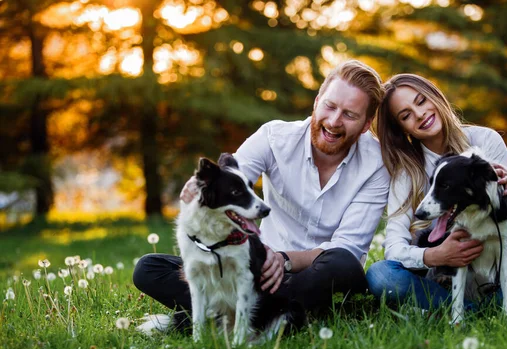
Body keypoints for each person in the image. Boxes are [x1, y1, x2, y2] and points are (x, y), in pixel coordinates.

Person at [133, 60, 390, 326]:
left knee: (343, 264)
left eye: (350, 114)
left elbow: (347, 246)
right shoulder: (274, 137)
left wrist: (284, 260)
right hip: (260, 271)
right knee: (148, 268)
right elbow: (229, 181)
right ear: (316, 102)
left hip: (319, 275)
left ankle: (232, 316)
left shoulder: (376, 164)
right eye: (330, 106)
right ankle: (273, 316)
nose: (334, 121)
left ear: (365, 124)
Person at [366, 73, 507, 312]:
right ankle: (480, 308)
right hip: (443, 279)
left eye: (421, 101)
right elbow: (393, 250)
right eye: (406, 115)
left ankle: (471, 309)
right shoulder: (406, 171)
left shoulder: (485, 140)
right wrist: (436, 255)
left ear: (435, 96)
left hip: (498, 271)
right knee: (380, 275)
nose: (419, 114)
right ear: (401, 128)